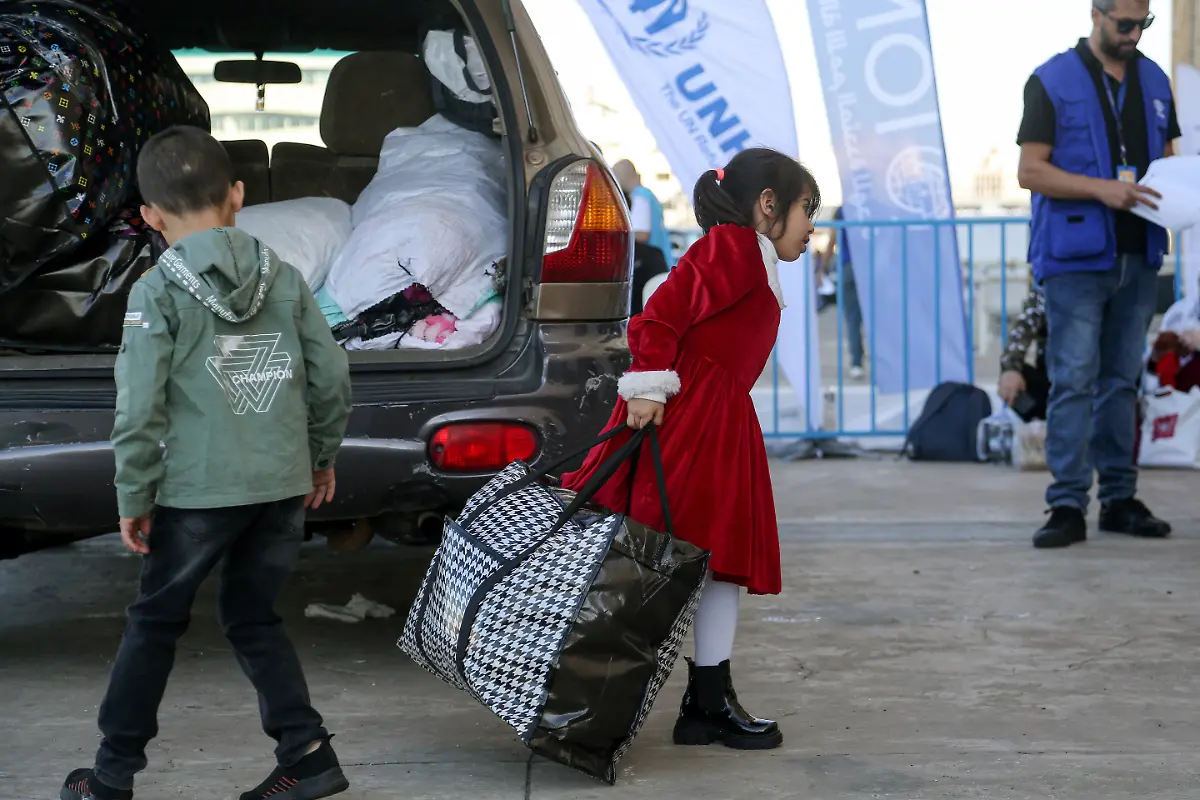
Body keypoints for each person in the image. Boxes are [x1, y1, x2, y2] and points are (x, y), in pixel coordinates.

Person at [61, 126, 353, 800]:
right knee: (252, 616)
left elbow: (138, 408)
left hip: (197, 492)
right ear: (239, 197)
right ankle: (306, 757)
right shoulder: (283, 276)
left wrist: (133, 493)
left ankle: (108, 779)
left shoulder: (156, 293)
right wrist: (320, 455)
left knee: (156, 621)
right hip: (281, 485)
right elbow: (332, 373)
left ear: (150, 217)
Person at [562, 147, 820, 750]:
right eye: (807, 209)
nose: (812, 226)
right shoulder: (731, 247)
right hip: (694, 420)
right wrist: (649, 384)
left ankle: (708, 697)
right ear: (768, 205)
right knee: (673, 556)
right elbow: (656, 318)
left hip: (718, 419)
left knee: (711, 561)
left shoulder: (748, 253)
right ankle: (666, 695)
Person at [1016, 0, 1178, 549]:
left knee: (1121, 383)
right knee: (1074, 380)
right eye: (1125, 24)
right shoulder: (1050, 79)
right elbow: (1029, 169)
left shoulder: (1155, 80)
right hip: (1075, 259)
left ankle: (1119, 498)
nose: (1134, 34)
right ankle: (1065, 504)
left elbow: (1171, 158)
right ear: (1096, 14)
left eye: (1144, 23)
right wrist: (1102, 188)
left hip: (1139, 254)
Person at [815, 206, 866, 380]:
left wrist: (821, 269)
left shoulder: (842, 211)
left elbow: (832, 242)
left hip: (847, 267)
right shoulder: (869, 206)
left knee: (852, 319)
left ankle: (857, 364)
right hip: (869, 267)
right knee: (874, 318)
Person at [997, 284, 1051, 422]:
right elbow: (1022, 330)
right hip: (1052, 379)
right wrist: (1010, 369)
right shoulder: (1047, 288)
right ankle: (1041, 426)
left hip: (1096, 378)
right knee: (1014, 380)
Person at [613, 159, 676, 267]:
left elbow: (642, 235)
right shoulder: (647, 195)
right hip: (661, 262)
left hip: (651, 266)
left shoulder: (640, 197)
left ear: (623, 176)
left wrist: (614, 234)